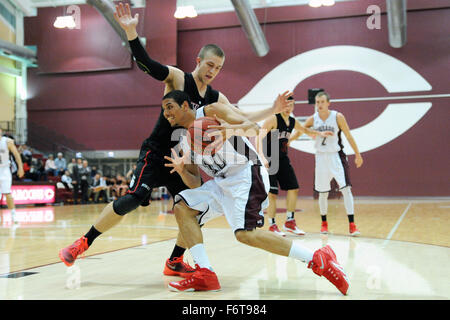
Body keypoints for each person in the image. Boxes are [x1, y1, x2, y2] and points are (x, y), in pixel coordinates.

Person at [58, 2, 290, 277]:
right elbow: (150, 67)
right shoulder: (179, 79)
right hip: (158, 152)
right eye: (209, 64)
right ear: (198, 60)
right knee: (134, 198)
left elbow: (240, 116)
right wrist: (131, 34)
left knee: (193, 208)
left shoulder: (216, 98)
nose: (213, 71)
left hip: (188, 159)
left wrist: (272, 111)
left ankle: (175, 261)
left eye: (218, 68)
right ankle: (83, 242)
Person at [162, 90, 349, 295]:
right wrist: (182, 170)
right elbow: (195, 183)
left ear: (185, 106)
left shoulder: (212, 111)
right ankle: (205, 273)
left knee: (245, 235)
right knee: (183, 207)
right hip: (221, 182)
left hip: (246, 173)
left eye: (169, 107)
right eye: (163, 110)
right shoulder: (182, 141)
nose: (166, 113)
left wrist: (229, 131)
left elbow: (252, 127)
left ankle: (316, 258)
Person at [257, 96, 333, 236]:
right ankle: (272, 225)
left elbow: (305, 130)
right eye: (286, 105)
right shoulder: (273, 119)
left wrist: (320, 133)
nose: (288, 108)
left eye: (291, 105)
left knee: (294, 188)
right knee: (272, 194)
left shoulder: (292, 121)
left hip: (283, 158)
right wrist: (261, 157)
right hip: (269, 158)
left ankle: (290, 222)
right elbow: (259, 137)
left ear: (293, 107)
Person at [303, 91, 363, 236]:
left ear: (328, 103)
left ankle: (352, 225)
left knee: (346, 189)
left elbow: (348, 135)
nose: (319, 105)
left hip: (336, 156)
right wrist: (310, 133)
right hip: (320, 158)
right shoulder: (313, 119)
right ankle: (324, 224)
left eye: (322, 102)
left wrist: (357, 154)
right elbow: (302, 129)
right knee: (322, 193)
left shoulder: (337, 117)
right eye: (317, 102)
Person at [0, 128, 24, 224]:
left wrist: (20, 167)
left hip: (4, 170)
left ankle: (13, 215)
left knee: (7, 194)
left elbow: (16, 154)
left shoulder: (7, 141)